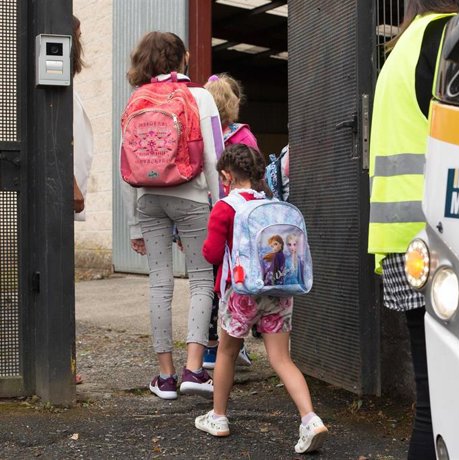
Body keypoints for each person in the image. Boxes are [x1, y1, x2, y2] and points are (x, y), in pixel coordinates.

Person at [368, 1, 459, 458]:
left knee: (432, 402)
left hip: (398, 245)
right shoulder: (446, 36)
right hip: (436, 240)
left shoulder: (399, 50)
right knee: (449, 406)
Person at [195, 144, 328, 454]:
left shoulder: (226, 207)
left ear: (226, 175)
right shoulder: (274, 204)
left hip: (242, 292)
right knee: (281, 359)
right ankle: (310, 419)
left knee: (227, 352)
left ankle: (218, 417)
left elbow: (213, 253)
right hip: (279, 290)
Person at [120, 31, 224, 400]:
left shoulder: (137, 99)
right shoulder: (200, 97)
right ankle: (194, 369)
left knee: (159, 284)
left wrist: (133, 222)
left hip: (149, 199)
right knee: (199, 280)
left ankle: (164, 377)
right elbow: (215, 156)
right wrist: (220, 204)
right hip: (192, 197)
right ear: (183, 59)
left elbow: (126, 161)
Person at [201, 73, 258, 370]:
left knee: (214, 281)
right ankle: (234, 341)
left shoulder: (202, 135)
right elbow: (257, 170)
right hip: (241, 220)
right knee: (239, 278)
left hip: (213, 214)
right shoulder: (244, 136)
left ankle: (216, 345)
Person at [72, 14, 93, 385]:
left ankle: (65, 360)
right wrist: (72, 186)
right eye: (77, 33)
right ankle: (62, 362)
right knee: (58, 278)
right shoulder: (58, 81)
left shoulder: (68, 82)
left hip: (65, 191)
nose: (81, 40)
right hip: (61, 192)